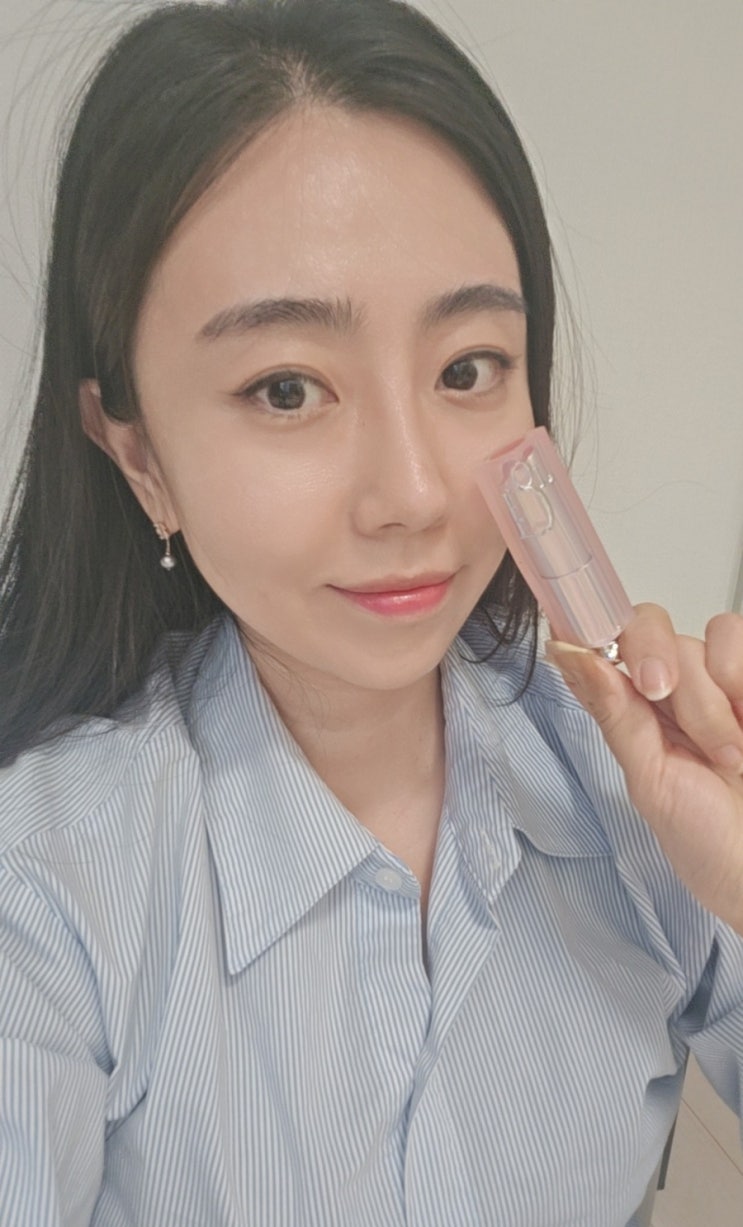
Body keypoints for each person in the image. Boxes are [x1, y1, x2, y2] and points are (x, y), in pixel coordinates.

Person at [0, 1, 742, 1223]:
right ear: (137, 456)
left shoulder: (634, 789)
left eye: (466, 370)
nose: (411, 496)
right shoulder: (46, 897)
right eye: (287, 389)